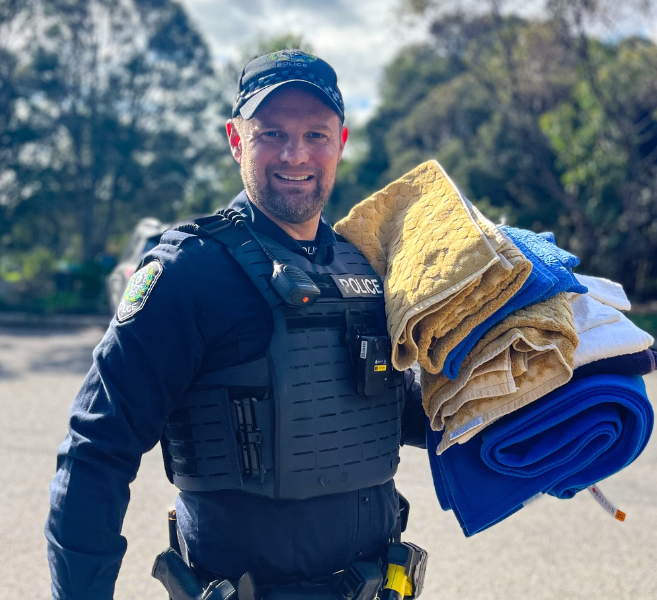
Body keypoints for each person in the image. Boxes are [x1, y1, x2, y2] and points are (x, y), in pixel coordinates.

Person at [45, 49, 427, 600]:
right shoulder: (189, 272)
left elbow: (399, 410)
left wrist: (559, 419)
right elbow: (96, 452)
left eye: (316, 135)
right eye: (271, 133)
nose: (295, 154)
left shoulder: (365, 266)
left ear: (340, 143)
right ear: (235, 139)